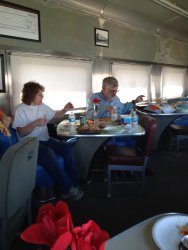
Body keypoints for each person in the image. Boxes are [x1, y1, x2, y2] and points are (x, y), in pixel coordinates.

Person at [12, 81, 84, 201]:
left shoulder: (42, 106)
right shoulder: (20, 110)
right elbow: (21, 132)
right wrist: (35, 123)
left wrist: (64, 109)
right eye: (40, 95)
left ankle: (74, 182)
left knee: (66, 149)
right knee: (49, 153)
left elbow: (55, 115)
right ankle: (68, 188)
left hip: (45, 139)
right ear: (31, 95)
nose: (42, 97)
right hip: (29, 143)